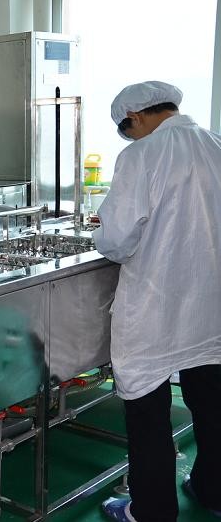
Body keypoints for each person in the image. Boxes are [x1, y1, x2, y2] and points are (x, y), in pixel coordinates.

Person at [93, 81, 221, 522]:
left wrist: (101, 229)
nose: (129, 138)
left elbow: (116, 239)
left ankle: (151, 511)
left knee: (148, 412)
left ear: (136, 117)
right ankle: (213, 490)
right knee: (213, 404)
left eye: (126, 130)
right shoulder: (216, 144)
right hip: (211, 306)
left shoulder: (141, 156)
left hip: (157, 303)